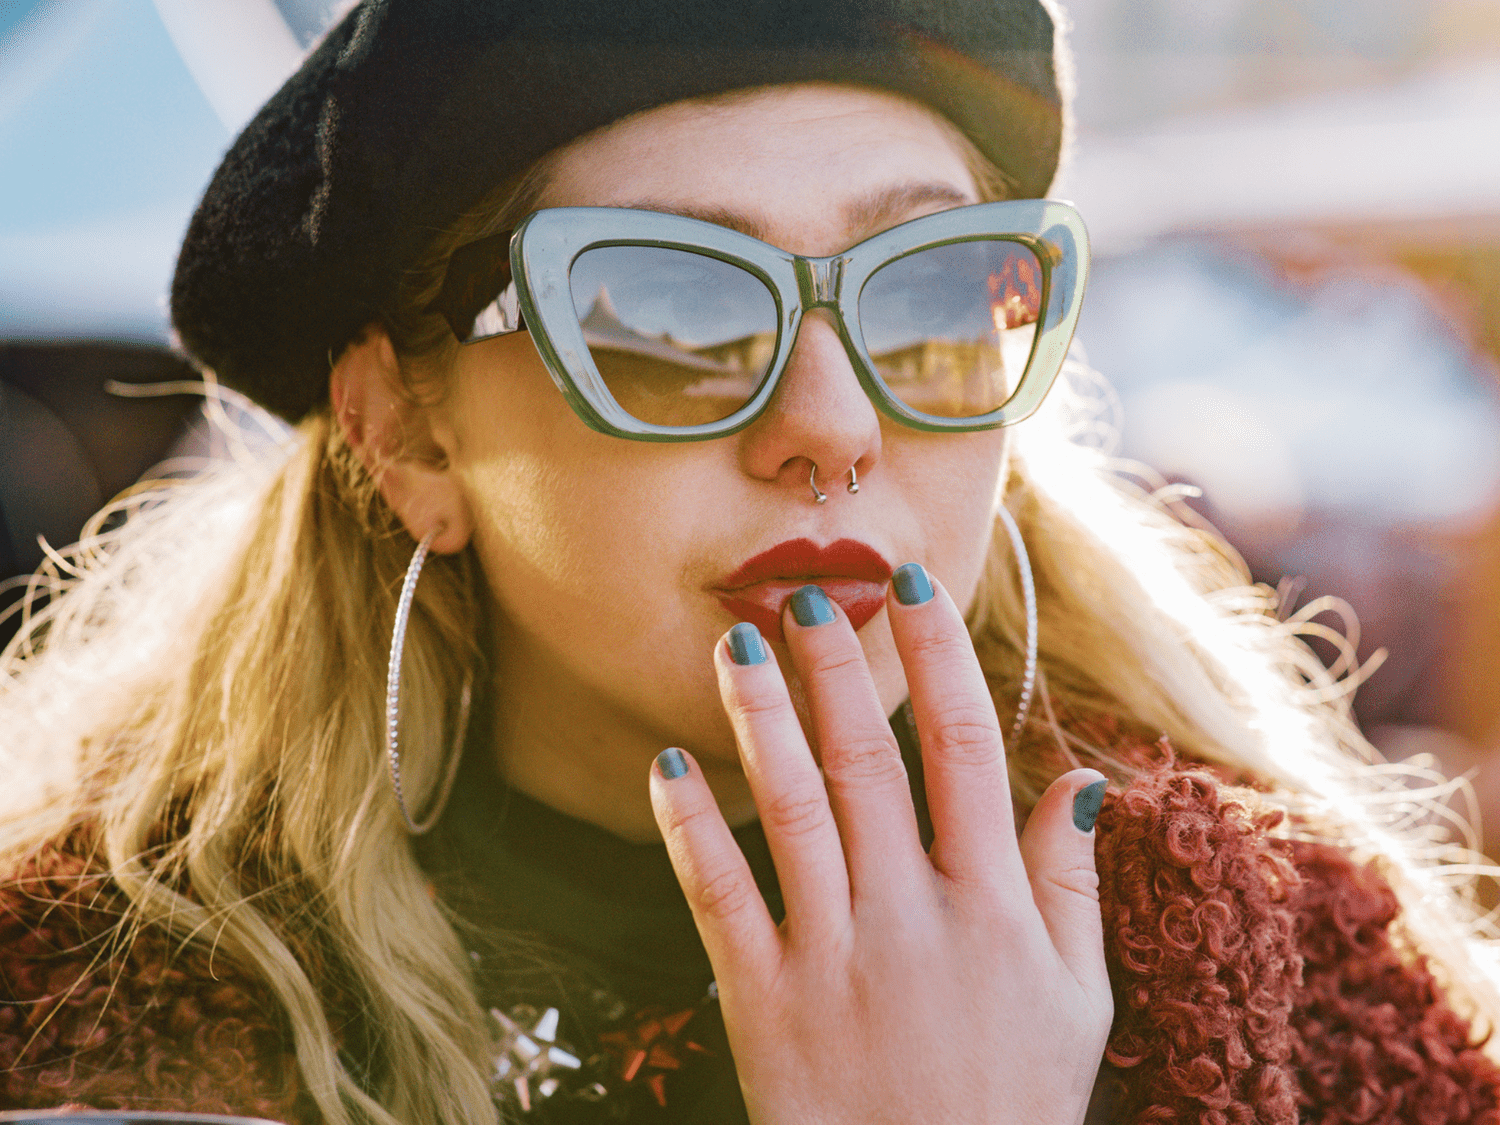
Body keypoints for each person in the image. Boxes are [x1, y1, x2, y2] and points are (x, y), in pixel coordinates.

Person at [2, 2, 1499, 1123]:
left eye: (926, 295)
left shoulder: (1289, 967)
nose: (832, 430)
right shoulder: (96, 1019)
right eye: (671, 320)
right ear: (406, 434)